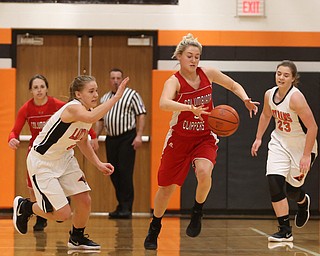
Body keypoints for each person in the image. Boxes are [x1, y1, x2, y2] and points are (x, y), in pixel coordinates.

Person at [143, 33, 259, 250]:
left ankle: (197, 211)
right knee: (166, 188)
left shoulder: (208, 73)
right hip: (178, 139)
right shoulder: (174, 81)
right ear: (179, 56)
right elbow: (163, 103)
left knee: (204, 172)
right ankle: (155, 226)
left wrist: (245, 99)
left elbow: (233, 85)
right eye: (189, 55)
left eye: (197, 56)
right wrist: (188, 108)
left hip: (204, 137)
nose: (194, 60)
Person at [12, 75, 129, 251]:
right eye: (91, 91)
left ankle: (77, 238)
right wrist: (116, 97)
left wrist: (98, 163)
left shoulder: (86, 112)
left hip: (65, 158)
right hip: (43, 162)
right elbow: (92, 119)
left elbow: (82, 141)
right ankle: (26, 206)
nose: (96, 94)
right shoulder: (73, 109)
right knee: (62, 214)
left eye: (96, 90)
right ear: (78, 94)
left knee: (84, 200)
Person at [8, 74, 99, 232]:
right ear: (31, 91)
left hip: (62, 153)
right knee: (35, 191)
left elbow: (81, 119)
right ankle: (37, 215)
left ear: (47, 89)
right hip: (40, 153)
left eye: (42, 87)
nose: (39, 90)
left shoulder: (58, 105)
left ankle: (72, 232)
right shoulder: (27, 108)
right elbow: (14, 130)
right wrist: (12, 139)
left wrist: (92, 134)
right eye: (35, 87)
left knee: (78, 200)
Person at [251, 60, 318, 242]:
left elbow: (312, 127)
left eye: (286, 75)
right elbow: (266, 115)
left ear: (293, 78)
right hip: (279, 142)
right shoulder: (269, 94)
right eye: (279, 73)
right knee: (274, 182)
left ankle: (303, 202)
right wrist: (258, 138)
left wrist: (306, 155)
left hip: (301, 145)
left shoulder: (296, 98)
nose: (281, 77)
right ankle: (285, 230)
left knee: (292, 190)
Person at [95, 68, 147, 219]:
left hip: (127, 138)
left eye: (118, 78)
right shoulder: (104, 98)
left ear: (122, 79)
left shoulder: (132, 95)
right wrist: (95, 137)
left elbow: (141, 114)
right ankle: (120, 205)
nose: (116, 81)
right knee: (113, 173)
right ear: (109, 80)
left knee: (125, 172)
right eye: (113, 78)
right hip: (111, 139)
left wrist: (139, 135)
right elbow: (100, 120)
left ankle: (127, 207)